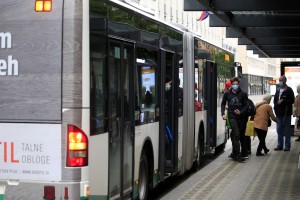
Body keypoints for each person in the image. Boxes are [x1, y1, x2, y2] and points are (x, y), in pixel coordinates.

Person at [221, 77, 248, 162]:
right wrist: (222, 113)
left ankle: (234, 152)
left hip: (241, 117)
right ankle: (238, 154)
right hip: (231, 116)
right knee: (236, 133)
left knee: (236, 135)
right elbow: (223, 103)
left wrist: (240, 112)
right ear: (231, 85)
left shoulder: (243, 94)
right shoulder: (227, 93)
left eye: (236, 84)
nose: (235, 86)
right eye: (233, 84)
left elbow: (246, 106)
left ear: (238, 84)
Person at [273, 75, 295, 151]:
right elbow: (275, 101)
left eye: (281, 80)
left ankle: (287, 146)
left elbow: (292, 100)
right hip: (279, 113)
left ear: (285, 81)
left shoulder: (289, 90)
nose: (280, 82)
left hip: (286, 113)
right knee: (279, 130)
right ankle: (279, 145)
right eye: (279, 80)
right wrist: (275, 109)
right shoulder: (278, 90)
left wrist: (283, 100)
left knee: (287, 130)